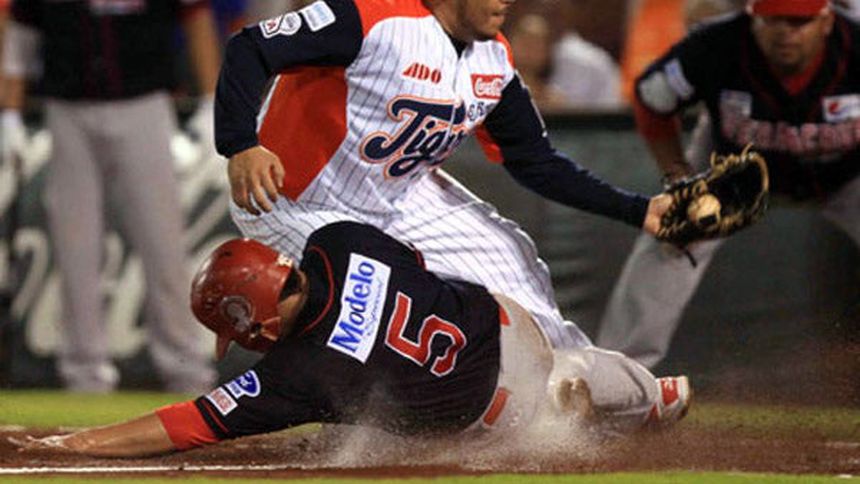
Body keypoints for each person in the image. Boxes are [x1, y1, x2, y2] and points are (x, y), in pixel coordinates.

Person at [215, 0, 673, 359]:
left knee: (507, 256)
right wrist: (241, 143)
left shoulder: (493, 59)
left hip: (400, 196)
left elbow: (537, 162)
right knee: (369, 298)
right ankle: (370, 419)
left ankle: (582, 380)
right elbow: (250, 46)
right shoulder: (371, 17)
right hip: (296, 200)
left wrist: (637, 209)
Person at [12, 222, 691, 457]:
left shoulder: (295, 372)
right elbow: (416, 266)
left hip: (491, 412)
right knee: (539, 364)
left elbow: (187, 423)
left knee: (360, 430)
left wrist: (75, 445)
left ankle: (562, 413)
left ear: (253, 320)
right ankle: (632, 388)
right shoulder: (337, 241)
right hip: (509, 322)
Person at [597, 0, 860, 369]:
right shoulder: (716, 44)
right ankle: (617, 375)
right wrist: (678, 176)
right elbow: (651, 98)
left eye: (798, 21)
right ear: (752, 18)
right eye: (773, 20)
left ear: (826, 21)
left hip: (847, 175)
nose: (786, 32)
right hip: (731, 174)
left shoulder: (855, 44)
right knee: (673, 233)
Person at [2, 0, 222, 392]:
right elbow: (21, 35)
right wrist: (10, 111)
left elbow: (196, 17)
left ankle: (187, 368)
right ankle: (84, 371)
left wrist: (210, 100)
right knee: (74, 245)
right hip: (67, 106)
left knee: (163, 241)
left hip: (144, 103)